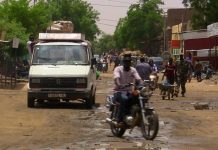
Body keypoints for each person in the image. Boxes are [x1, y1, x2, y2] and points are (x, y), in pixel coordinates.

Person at [113, 53, 141, 125]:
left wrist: (143, 84)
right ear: (123, 62)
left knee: (139, 98)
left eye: (128, 62)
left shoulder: (133, 70)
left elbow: (138, 78)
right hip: (119, 92)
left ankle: (137, 117)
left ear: (130, 62)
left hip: (129, 92)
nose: (127, 63)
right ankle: (120, 119)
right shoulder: (118, 69)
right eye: (126, 61)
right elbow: (117, 78)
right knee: (124, 99)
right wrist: (119, 85)